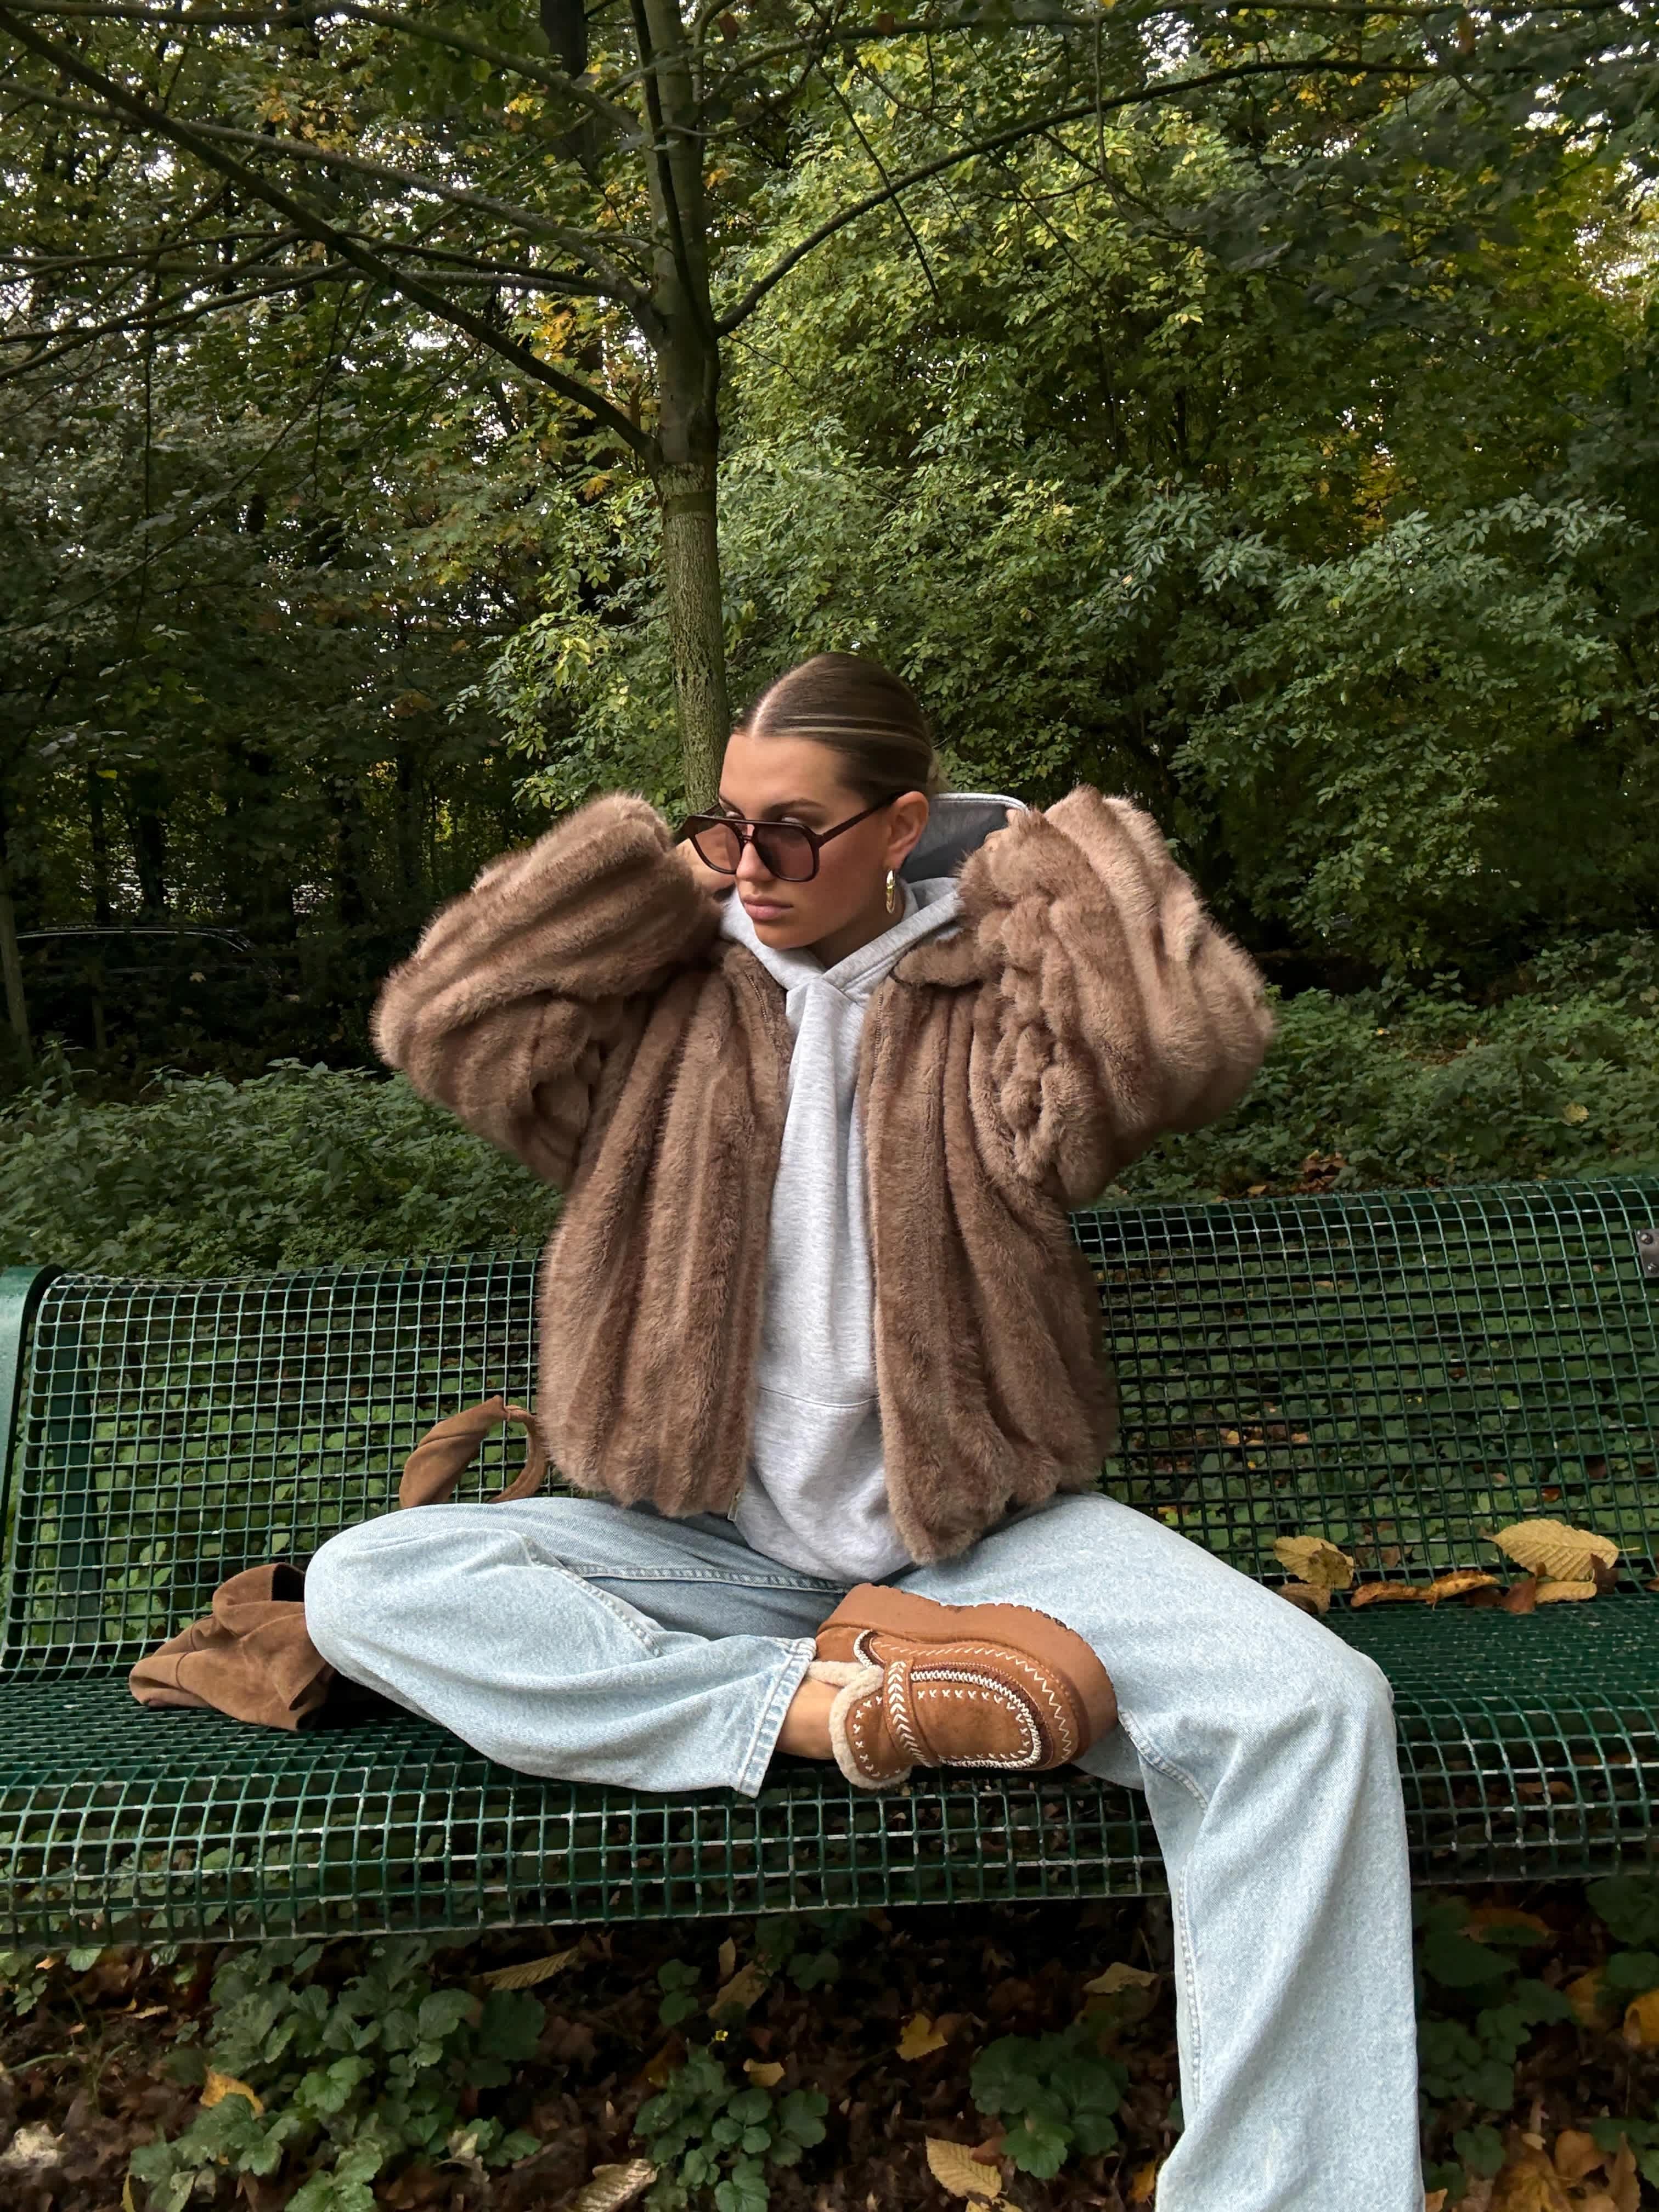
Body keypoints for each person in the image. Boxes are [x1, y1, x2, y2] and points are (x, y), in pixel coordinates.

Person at [304, 651, 1424, 2211]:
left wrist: (1044, 868)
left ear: (903, 824)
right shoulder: (662, 1007)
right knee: (367, 1584)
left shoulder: (990, 1007)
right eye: (729, 826)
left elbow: (1179, 1049)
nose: (749, 869)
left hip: (975, 1551)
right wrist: (644, 870)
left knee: (1316, 1711)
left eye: (795, 832)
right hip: (693, 1544)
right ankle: (821, 1710)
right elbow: (446, 1027)